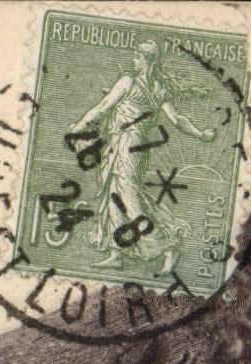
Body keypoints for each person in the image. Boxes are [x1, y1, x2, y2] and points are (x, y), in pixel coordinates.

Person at [70, 40, 215, 276]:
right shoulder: (158, 88)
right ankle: (117, 252)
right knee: (113, 194)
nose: (133, 60)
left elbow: (102, 107)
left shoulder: (130, 82)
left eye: (137, 56)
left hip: (128, 145)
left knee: (129, 199)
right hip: (124, 145)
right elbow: (177, 118)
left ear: (148, 59)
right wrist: (201, 134)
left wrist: (78, 127)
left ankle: (168, 248)